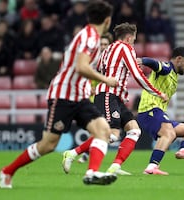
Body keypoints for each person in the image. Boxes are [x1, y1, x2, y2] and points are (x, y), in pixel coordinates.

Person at [0, 1, 118, 189]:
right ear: (108, 20)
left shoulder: (89, 35)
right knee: (48, 145)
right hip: (63, 96)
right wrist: (105, 80)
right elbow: (81, 67)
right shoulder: (90, 38)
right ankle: (7, 171)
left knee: (102, 130)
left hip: (78, 96)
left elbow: (77, 69)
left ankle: (92, 172)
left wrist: (87, 87)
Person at [62, 22, 168, 175]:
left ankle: (115, 167)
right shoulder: (126, 48)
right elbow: (137, 74)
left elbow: (99, 69)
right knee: (110, 134)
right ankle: (72, 153)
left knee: (134, 130)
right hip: (108, 94)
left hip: (114, 96)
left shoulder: (107, 50)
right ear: (129, 38)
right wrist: (157, 92)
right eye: (134, 39)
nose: (134, 42)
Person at [136, 47, 184, 175]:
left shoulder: (174, 76)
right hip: (149, 109)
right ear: (179, 59)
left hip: (157, 112)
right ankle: (152, 167)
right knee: (169, 134)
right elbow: (155, 64)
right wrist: (141, 60)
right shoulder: (167, 68)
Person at [77, 32, 113, 163]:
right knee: (100, 128)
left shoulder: (111, 60)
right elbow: (82, 73)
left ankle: (85, 153)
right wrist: (87, 86)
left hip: (105, 96)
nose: (103, 46)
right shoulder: (92, 59)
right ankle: (85, 154)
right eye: (101, 44)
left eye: (105, 44)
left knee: (101, 129)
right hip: (92, 98)